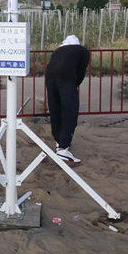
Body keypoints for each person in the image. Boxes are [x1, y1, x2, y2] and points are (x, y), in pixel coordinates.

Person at [45, 35, 89, 165]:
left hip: (50, 79)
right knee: (70, 112)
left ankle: (59, 141)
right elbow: (81, 71)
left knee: (55, 110)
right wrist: (74, 84)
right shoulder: (82, 51)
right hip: (66, 80)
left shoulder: (57, 51)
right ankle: (63, 149)